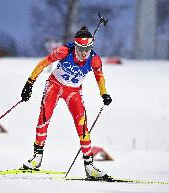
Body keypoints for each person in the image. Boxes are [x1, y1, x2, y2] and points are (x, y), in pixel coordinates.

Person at [21, 26, 112, 179]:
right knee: (44, 118)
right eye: (80, 48)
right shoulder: (64, 51)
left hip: (74, 92)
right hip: (54, 86)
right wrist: (29, 83)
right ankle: (37, 158)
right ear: (75, 45)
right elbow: (44, 63)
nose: (84, 53)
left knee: (82, 127)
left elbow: (100, 76)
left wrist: (104, 94)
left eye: (87, 48)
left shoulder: (94, 59)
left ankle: (89, 167)